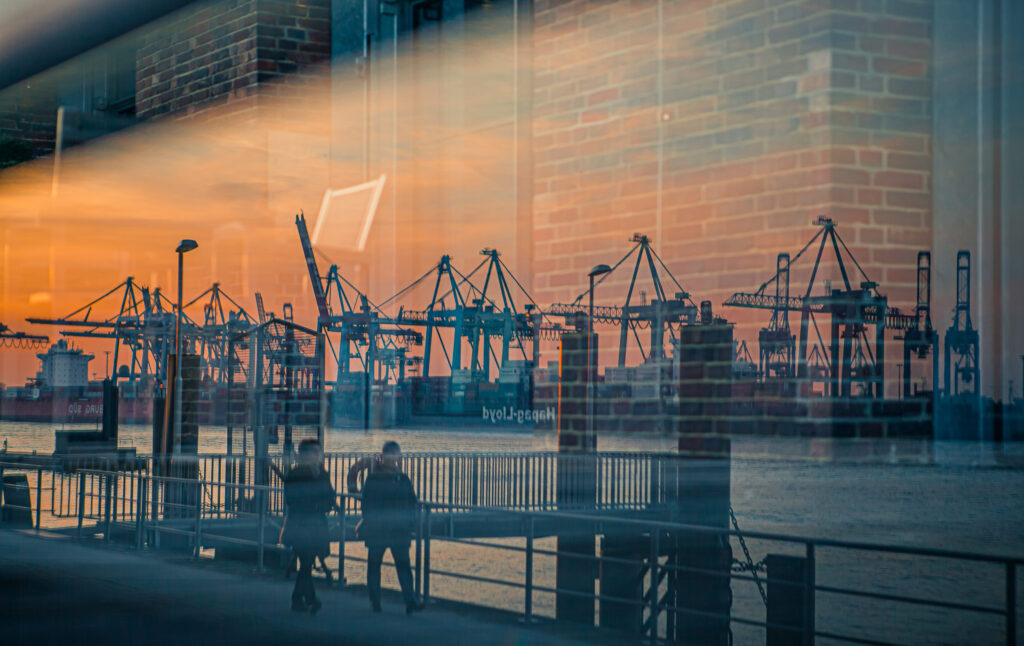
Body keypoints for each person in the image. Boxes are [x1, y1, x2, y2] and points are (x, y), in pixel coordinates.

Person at [359, 441, 423, 614]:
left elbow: (412, 502)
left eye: (395, 454)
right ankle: (379, 601)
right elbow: (366, 504)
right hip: (388, 530)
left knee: (395, 566)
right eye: (390, 454)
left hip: (393, 530)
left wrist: (411, 522)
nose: (393, 458)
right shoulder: (396, 479)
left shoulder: (398, 478)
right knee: (381, 566)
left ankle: (408, 601)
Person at [282, 439, 337, 614]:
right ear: (304, 454)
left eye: (317, 452)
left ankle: (302, 599)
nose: (317, 456)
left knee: (306, 563)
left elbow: (329, 496)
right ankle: (306, 599)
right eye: (314, 452)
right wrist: (318, 505)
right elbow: (291, 499)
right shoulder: (297, 474)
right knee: (306, 561)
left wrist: (324, 505)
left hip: (313, 524)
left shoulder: (321, 473)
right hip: (303, 524)